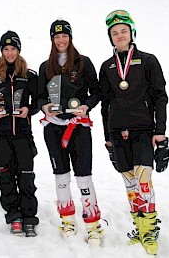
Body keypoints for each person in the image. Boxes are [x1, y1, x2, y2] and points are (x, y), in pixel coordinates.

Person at [99, 9, 168, 255]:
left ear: (132, 33)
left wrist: (160, 131)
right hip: (118, 132)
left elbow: (160, 96)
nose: (119, 35)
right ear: (111, 37)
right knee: (129, 182)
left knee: (143, 180)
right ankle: (139, 228)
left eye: (123, 31)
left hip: (143, 130)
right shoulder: (107, 66)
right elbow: (105, 103)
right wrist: (108, 137)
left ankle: (149, 231)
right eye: (115, 33)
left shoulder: (148, 60)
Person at [37, 20, 103, 246]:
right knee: (61, 176)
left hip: (79, 128)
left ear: (70, 38)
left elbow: (96, 92)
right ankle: (67, 220)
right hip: (54, 128)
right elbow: (39, 97)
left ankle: (92, 223)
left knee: (84, 175)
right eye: (56, 37)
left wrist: (86, 106)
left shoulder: (83, 62)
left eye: (64, 36)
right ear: (52, 40)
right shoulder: (45, 66)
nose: (61, 40)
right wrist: (45, 107)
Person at [0, 31, 39, 237]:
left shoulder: (29, 75)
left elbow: (39, 100)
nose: (9, 53)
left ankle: (29, 217)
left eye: (13, 49)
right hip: (1, 135)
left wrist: (29, 110)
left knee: (26, 177)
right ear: (1, 51)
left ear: (19, 50)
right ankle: (14, 215)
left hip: (23, 134)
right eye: (5, 49)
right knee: (6, 178)